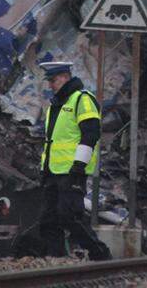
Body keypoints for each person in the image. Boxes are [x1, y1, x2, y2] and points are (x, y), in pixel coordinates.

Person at [37, 60, 111, 261]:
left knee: (69, 216)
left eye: (53, 80)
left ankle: (101, 256)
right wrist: (44, 169)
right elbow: (53, 142)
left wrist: (79, 166)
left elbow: (91, 134)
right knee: (48, 219)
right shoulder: (55, 106)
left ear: (65, 77)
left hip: (72, 172)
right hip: (53, 172)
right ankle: (56, 261)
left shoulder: (82, 100)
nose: (50, 85)